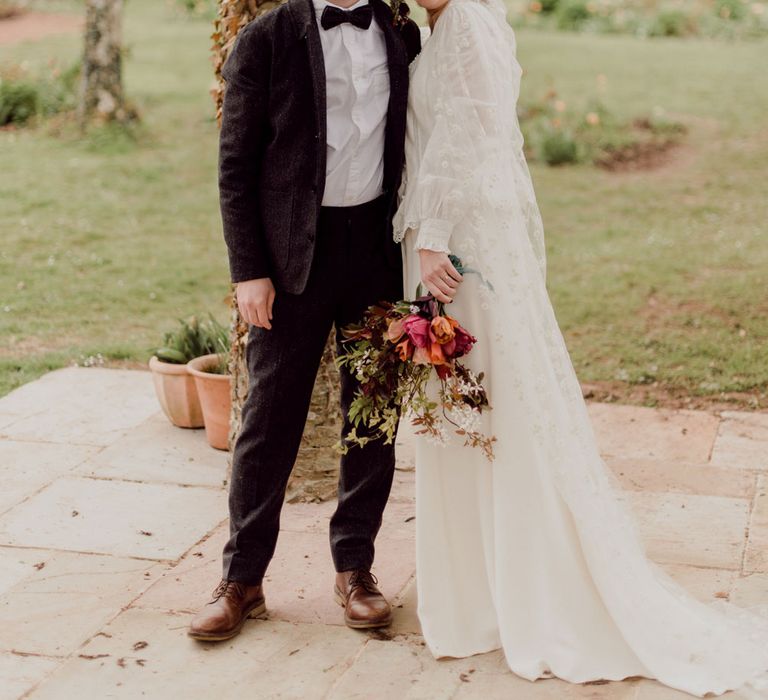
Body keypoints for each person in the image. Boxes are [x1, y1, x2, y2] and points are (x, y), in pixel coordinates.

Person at [394, 0, 768, 695]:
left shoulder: (471, 21)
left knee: (492, 405)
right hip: (436, 240)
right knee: (459, 408)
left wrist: (435, 234)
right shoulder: (429, 25)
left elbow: (469, 128)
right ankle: (477, 590)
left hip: (457, 245)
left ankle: (526, 589)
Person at [188, 0, 420, 642]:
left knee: (372, 417)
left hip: (377, 253)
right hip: (291, 260)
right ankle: (243, 579)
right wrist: (248, 271)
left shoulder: (400, 35)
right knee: (267, 421)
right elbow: (235, 166)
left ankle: (356, 570)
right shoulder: (267, 37)